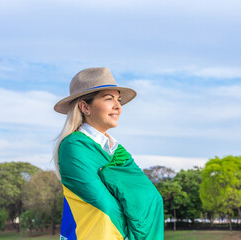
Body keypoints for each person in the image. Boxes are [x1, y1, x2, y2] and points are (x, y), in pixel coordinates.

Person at [53, 67, 164, 240]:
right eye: (108, 99)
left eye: (118, 100)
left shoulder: (117, 151)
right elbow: (103, 207)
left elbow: (150, 198)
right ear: (85, 107)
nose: (118, 107)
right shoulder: (73, 146)